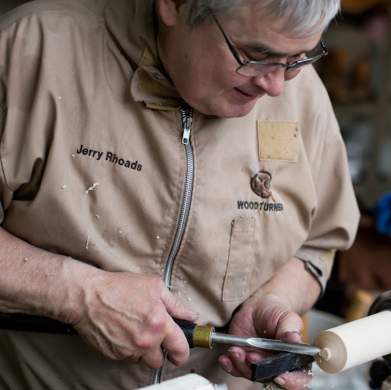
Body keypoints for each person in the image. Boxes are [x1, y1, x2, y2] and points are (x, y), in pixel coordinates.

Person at [0, 0, 359, 389]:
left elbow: (318, 244)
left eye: (299, 58)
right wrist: (77, 295)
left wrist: (277, 298)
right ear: (174, 5)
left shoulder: (302, 95)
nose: (275, 86)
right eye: (255, 55)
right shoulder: (29, 52)